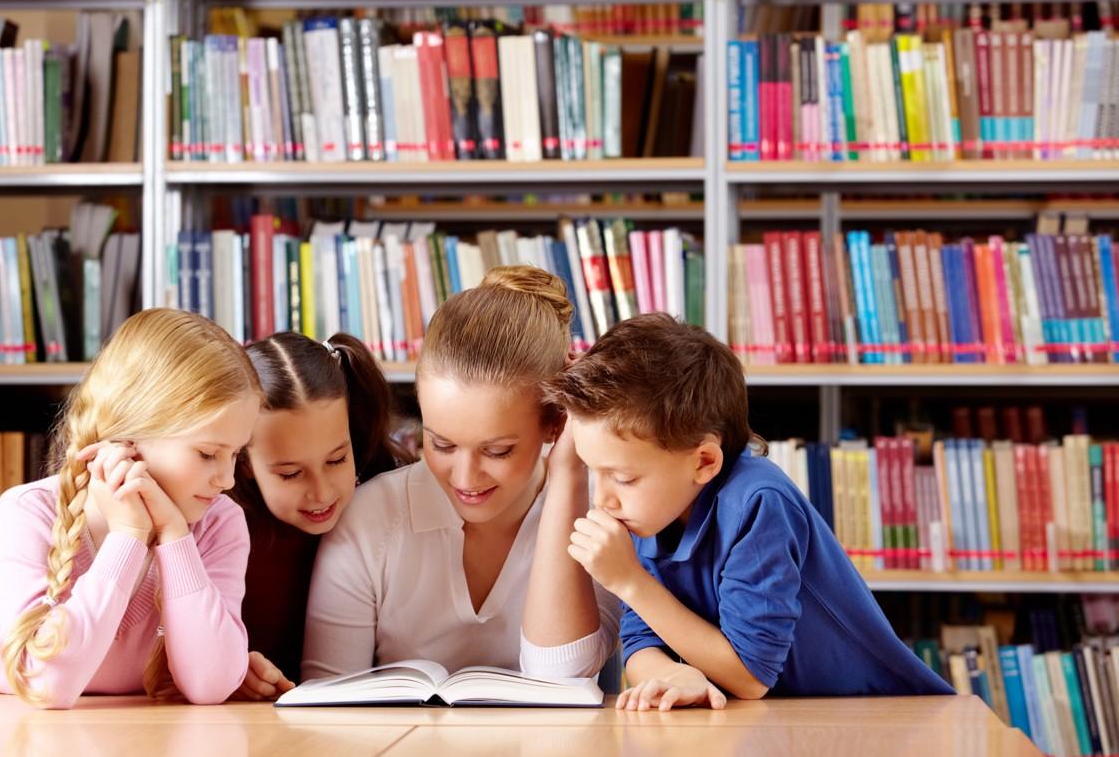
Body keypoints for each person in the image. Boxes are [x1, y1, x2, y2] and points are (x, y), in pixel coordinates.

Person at [545, 314, 955, 711]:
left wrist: (628, 581)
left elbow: (750, 677)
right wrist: (673, 675)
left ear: (704, 460)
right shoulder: (648, 509)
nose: (603, 500)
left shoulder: (758, 502)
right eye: (592, 472)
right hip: (778, 721)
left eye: (623, 477)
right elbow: (640, 641)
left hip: (879, 716)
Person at [302, 266, 618, 680]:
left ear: (556, 421)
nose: (465, 478)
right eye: (442, 444)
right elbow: (325, 703)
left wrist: (568, 472)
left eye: (497, 450)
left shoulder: (604, 512)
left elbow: (561, 677)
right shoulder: (368, 520)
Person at [0, 309, 262, 708]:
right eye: (207, 453)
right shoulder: (23, 515)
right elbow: (46, 684)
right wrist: (129, 535)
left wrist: (173, 536)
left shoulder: (220, 523)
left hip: (134, 737)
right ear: (128, 436)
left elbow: (210, 685)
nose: (228, 479)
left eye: (236, 454)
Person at [228, 331, 411, 700]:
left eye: (337, 459)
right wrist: (229, 666)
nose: (323, 492)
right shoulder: (220, 526)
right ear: (243, 461)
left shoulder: (388, 498)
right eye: (290, 473)